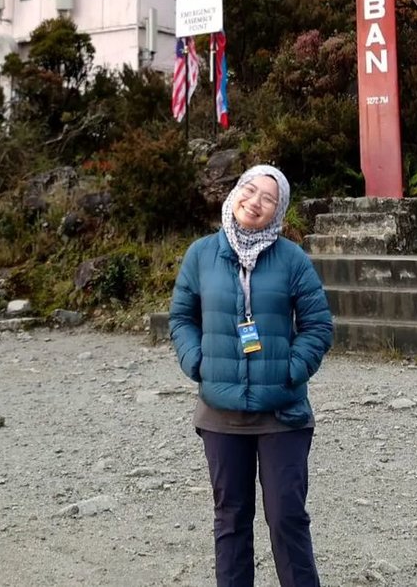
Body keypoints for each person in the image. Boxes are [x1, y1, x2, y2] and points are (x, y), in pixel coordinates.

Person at [169, 164, 333, 587]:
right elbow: (182, 317)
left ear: (278, 212)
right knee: (231, 518)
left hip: (282, 412)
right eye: (248, 189)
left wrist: (289, 373)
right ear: (234, 191)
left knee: (287, 518)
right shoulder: (202, 254)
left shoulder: (292, 258)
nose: (254, 201)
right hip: (220, 412)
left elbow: (318, 325)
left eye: (268, 198)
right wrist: (198, 363)